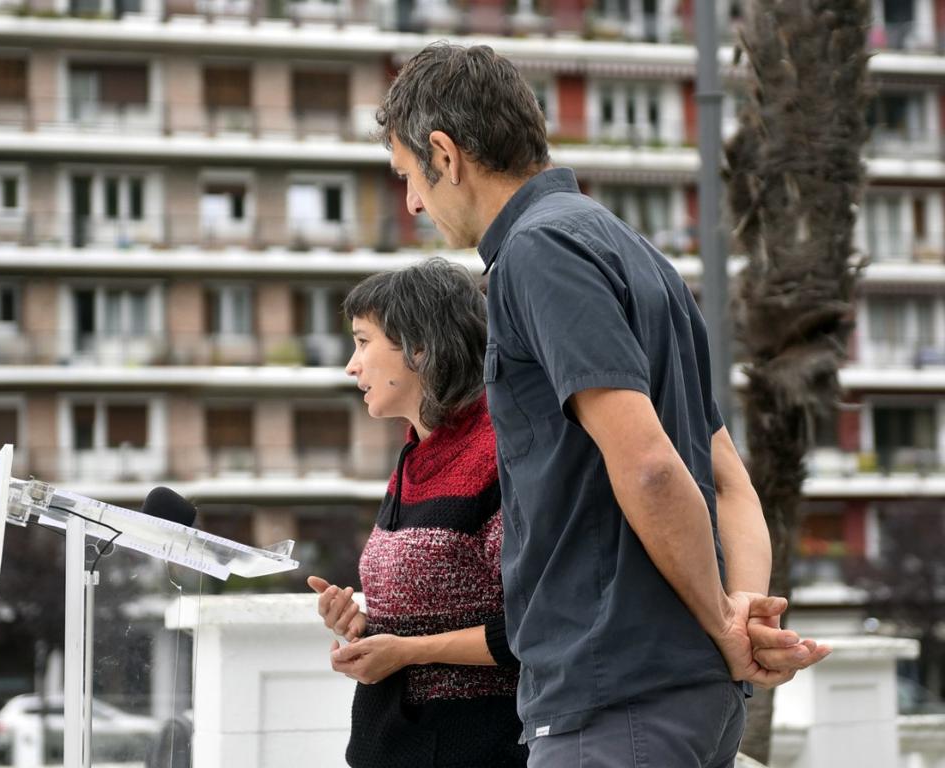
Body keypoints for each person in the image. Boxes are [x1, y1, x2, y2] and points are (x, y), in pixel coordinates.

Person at [372, 43, 832, 767]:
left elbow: (648, 464)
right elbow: (730, 481)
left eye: (408, 177)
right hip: (685, 700)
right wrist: (742, 613)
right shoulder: (638, 255)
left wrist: (722, 621)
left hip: (615, 699)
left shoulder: (536, 252)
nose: (413, 203)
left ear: (445, 153)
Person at [307, 258, 527, 767]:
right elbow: (437, 608)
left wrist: (407, 651)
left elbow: (535, 626)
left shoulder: (499, 452)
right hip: (392, 741)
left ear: (421, 346)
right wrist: (362, 625)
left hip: (479, 744)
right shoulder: (415, 452)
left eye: (363, 342)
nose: (351, 364)